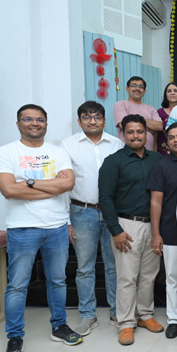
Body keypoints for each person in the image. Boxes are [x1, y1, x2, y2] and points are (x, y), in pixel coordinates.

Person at [0, 104, 79, 352]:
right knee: (17, 285)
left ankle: (59, 326)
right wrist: (51, 187)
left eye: (40, 119)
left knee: (58, 281)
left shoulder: (58, 152)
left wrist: (28, 183)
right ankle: (15, 337)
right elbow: (9, 190)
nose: (34, 123)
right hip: (22, 228)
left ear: (46, 123)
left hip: (56, 227)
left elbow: (68, 183)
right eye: (28, 119)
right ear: (18, 123)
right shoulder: (6, 152)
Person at [99, 114, 164, 346]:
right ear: (123, 134)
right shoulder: (113, 161)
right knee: (127, 277)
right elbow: (105, 198)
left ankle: (145, 315)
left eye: (140, 131)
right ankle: (126, 323)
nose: (136, 136)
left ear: (146, 133)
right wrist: (115, 230)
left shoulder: (157, 159)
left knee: (149, 275)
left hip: (153, 225)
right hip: (126, 225)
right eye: (130, 132)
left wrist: (159, 230)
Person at [62, 101, 123, 336]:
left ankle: (117, 311)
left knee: (114, 265)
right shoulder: (68, 146)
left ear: (105, 121)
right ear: (79, 121)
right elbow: (62, 185)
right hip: (81, 211)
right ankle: (88, 314)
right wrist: (67, 221)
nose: (92, 121)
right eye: (86, 117)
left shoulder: (116, 144)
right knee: (84, 267)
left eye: (97, 116)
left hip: (112, 212)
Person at [147, 123, 177, 340]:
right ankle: (174, 319)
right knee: (173, 277)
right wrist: (156, 234)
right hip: (171, 229)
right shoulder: (161, 166)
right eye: (172, 137)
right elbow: (156, 202)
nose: (176, 140)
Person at [113, 76, 163, 151]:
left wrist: (136, 121)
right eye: (134, 85)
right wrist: (151, 128)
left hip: (148, 153)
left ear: (144, 91)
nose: (137, 88)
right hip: (127, 152)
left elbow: (159, 126)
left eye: (141, 86)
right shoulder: (121, 105)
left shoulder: (151, 108)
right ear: (127, 89)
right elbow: (124, 125)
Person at [156, 82, 177, 156]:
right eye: (169, 91)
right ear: (165, 95)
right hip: (163, 150)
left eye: (175, 91)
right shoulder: (160, 112)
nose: (172, 93)